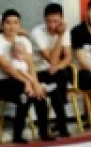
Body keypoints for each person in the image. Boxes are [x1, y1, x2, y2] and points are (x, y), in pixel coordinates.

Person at [0, 10, 54, 143]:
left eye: (16, 23)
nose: (12, 26)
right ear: (1, 25)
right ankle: (18, 134)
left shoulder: (23, 41)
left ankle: (44, 132)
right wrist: (28, 83)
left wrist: (35, 83)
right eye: (8, 23)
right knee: (26, 91)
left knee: (38, 92)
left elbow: (30, 66)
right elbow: (7, 68)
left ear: (19, 25)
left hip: (19, 80)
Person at [29, 3, 75, 138]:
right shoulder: (37, 32)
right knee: (52, 84)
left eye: (56, 21)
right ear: (44, 20)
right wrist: (60, 36)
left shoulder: (65, 30)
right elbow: (51, 60)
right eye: (49, 21)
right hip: (37, 71)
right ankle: (56, 127)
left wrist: (57, 67)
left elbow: (67, 58)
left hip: (54, 71)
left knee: (60, 75)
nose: (52, 25)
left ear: (61, 19)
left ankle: (61, 126)